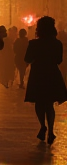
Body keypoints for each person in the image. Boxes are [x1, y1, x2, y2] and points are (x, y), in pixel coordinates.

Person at [24, 16, 67, 145]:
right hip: (52, 74)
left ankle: (43, 125)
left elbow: (27, 59)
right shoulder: (57, 43)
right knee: (49, 104)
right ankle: (51, 130)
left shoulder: (34, 44)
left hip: (38, 74)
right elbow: (59, 60)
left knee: (39, 102)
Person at [56, 21, 67, 86]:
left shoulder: (57, 36)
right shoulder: (64, 35)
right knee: (63, 72)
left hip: (60, 57)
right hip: (64, 56)